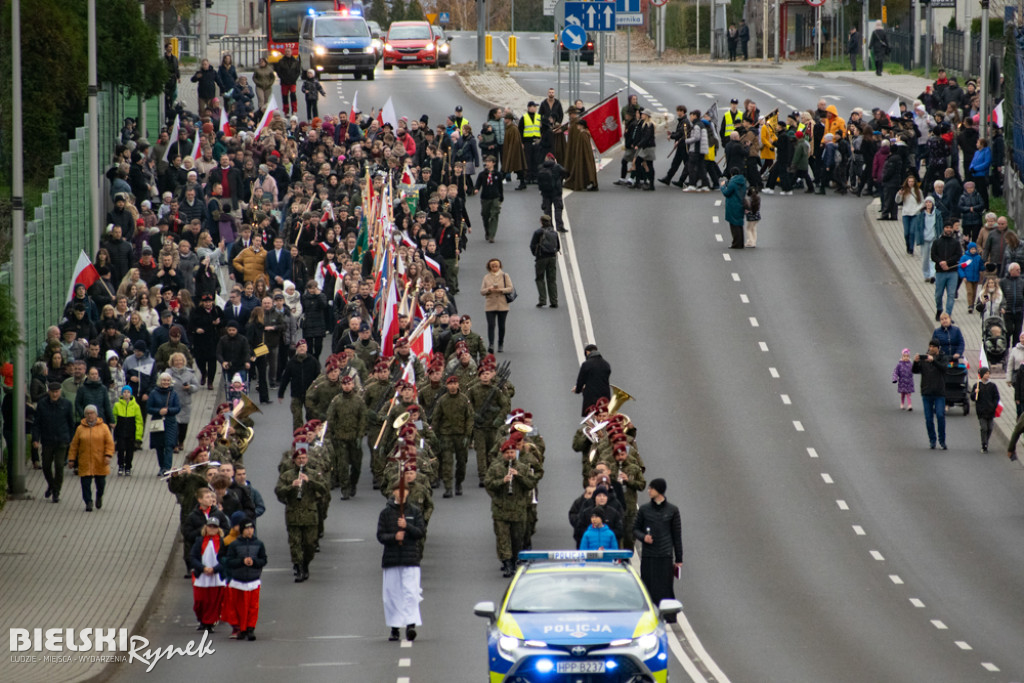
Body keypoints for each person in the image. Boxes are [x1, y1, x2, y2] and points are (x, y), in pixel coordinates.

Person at [377, 476, 427, 642]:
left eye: (404, 490)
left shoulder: (414, 511)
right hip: (392, 559)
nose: (401, 493)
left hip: (410, 558)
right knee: (392, 594)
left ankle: (411, 624)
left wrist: (408, 527)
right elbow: (380, 535)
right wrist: (394, 536)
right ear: (393, 492)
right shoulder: (386, 513)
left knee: (410, 592)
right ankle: (395, 627)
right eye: (398, 490)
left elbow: (420, 532)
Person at [485, 435, 541, 577]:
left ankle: (515, 560)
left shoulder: (522, 467)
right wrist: (502, 481)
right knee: (503, 538)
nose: (510, 455)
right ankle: (507, 563)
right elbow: (488, 484)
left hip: (518, 509)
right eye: (507, 453)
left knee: (517, 538)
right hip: (501, 510)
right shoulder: (496, 468)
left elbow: (531, 484)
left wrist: (519, 476)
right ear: (503, 454)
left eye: (512, 452)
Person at [633, 478, 683, 621]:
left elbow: (676, 535)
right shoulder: (644, 509)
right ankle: (649, 615)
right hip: (649, 555)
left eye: (651, 488)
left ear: (659, 490)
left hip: (665, 555)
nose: (648, 491)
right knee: (648, 586)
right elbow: (635, 529)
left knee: (665, 586)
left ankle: (668, 616)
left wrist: (679, 559)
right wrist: (644, 538)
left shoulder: (672, 510)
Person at [275, 447, 326, 582]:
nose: (301, 461)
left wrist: (310, 481)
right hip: (294, 514)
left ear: (307, 459)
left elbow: (324, 489)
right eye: (299, 458)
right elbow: (279, 492)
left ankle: (305, 564)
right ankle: (298, 567)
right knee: (295, 543)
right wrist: (291, 486)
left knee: (310, 544)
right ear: (294, 460)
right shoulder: (287, 475)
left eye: (303, 458)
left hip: (310, 514)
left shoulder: (314, 474)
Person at [221, 517, 267, 641]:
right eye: (247, 528)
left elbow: (263, 560)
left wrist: (254, 562)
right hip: (238, 581)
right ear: (242, 530)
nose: (249, 531)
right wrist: (241, 561)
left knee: (253, 606)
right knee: (240, 606)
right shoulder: (234, 545)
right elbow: (229, 561)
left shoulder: (259, 544)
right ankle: (242, 628)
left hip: (253, 580)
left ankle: (251, 628)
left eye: (251, 528)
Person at [32, 382, 76, 503]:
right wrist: (36, 439)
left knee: (59, 465)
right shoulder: (42, 405)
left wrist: (71, 439)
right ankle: (51, 484)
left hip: (62, 439)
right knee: (46, 465)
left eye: (57, 392)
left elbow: (71, 423)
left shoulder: (66, 404)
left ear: (60, 392)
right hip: (47, 439)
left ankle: (56, 491)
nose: (55, 394)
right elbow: (37, 424)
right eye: (52, 392)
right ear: (49, 392)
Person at [68, 405, 115, 512]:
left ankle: (99, 496)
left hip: (100, 461)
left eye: (92, 413)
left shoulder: (104, 427)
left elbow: (109, 443)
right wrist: (71, 459)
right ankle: (88, 501)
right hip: (85, 461)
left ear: (96, 414)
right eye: (88, 413)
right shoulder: (80, 429)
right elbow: (74, 445)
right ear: (85, 415)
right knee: (85, 483)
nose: (90, 415)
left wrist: (108, 455)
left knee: (101, 483)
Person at [188, 517, 227, 633]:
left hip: (216, 576)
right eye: (210, 526)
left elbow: (226, 559)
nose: (212, 529)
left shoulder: (222, 542)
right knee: (200, 601)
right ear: (206, 527)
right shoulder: (199, 541)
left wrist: (215, 569)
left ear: (218, 529)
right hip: (202, 575)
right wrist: (202, 568)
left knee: (214, 601)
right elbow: (193, 557)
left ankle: (209, 623)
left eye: (214, 527)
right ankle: (202, 619)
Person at [912, 339, 947, 450]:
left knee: (940, 416)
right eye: (930, 346)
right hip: (926, 393)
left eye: (933, 347)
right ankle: (932, 439)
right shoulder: (925, 359)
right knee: (928, 418)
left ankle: (942, 440)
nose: (931, 348)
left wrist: (933, 361)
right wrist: (916, 362)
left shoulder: (942, 358)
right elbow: (915, 370)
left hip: (939, 393)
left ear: (938, 348)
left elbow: (944, 368)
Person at [148, 372, 182, 476]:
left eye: (168, 380)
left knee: (169, 445)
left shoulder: (173, 393)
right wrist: (158, 411)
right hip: (158, 422)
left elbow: (178, 408)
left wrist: (168, 411)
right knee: (159, 446)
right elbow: (148, 408)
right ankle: (161, 467)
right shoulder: (153, 393)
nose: (166, 382)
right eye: (164, 380)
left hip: (170, 422)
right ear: (160, 381)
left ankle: (167, 468)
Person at [480, 258, 513, 354]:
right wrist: (488, 290)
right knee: (491, 325)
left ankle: (500, 343)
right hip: (490, 304)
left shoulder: (505, 276)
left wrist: (501, 290)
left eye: (496, 266)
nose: (494, 268)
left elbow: (510, 288)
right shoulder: (486, 277)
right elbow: (482, 291)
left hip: (502, 304)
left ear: (499, 266)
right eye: (493, 266)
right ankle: (491, 344)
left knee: (501, 325)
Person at [932, 222, 963, 320]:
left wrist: (947, 262)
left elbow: (958, 255)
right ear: (943, 229)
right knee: (938, 294)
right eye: (947, 227)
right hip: (940, 272)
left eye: (950, 227)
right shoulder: (937, 242)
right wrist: (941, 262)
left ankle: (948, 314)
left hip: (952, 272)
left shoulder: (955, 243)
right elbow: (933, 255)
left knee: (951, 294)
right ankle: (939, 309)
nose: (948, 229)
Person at [530, 214, 560, 308]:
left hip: (541, 258)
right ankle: (554, 301)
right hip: (552, 258)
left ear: (541, 221)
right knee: (552, 279)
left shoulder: (538, 232)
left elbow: (532, 245)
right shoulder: (554, 232)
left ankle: (542, 300)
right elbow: (558, 246)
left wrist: (536, 254)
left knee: (540, 278)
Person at [112, 385, 143, 476]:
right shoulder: (117, 405)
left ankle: (128, 466)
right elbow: (114, 417)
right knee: (120, 450)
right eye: (124, 392)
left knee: (130, 451)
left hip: (131, 432)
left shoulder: (136, 406)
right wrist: (114, 426)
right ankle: (121, 465)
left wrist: (138, 435)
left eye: (128, 392)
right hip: (120, 431)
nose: (126, 394)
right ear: (122, 394)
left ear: (131, 394)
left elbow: (139, 422)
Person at [573, 344, 611, 415]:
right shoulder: (606, 364)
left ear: (587, 352)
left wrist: (578, 390)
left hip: (591, 397)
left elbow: (581, 380)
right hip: (605, 396)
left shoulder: (586, 365)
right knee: (605, 415)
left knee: (590, 417)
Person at [475, 156, 504, 243]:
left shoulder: (498, 175)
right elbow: (478, 184)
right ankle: (487, 231)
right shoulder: (482, 174)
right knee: (485, 215)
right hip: (485, 198)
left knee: (494, 215)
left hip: (495, 197)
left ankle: (492, 235)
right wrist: (476, 189)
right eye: (486, 161)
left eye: (489, 161)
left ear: (494, 163)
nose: (487, 163)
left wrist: (501, 197)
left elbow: (500, 187)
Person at [971, 366, 1000, 452]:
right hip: (981, 411)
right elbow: (973, 398)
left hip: (990, 410)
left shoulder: (992, 386)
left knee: (990, 427)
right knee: (984, 428)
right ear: (982, 375)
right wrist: (975, 393)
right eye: (986, 373)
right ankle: (984, 443)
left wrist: (994, 405)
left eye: (988, 373)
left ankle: (986, 441)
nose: (988, 375)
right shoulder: (977, 385)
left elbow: (996, 397)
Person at [536, 153, 566, 232]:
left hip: (545, 192)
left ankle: (548, 226)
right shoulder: (557, 166)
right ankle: (559, 226)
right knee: (558, 209)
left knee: (547, 210)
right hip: (556, 191)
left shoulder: (541, 167)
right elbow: (565, 173)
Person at [720, 168, 748, 249]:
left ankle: (735, 243)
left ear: (731, 174)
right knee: (739, 224)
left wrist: (722, 187)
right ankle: (741, 243)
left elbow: (726, 193)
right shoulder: (742, 181)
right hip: (740, 204)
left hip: (733, 205)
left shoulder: (733, 182)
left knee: (733, 225)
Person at [273, 45, 301, 116]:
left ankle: (294, 110)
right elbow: (279, 72)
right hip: (284, 82)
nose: (287, 53)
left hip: (293, 82)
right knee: (285, 97)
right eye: (286, 52)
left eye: (289, 51)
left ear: (291, 52)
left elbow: (298, 72)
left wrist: (294, 78)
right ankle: (286, 111)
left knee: (293, 95)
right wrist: (283, 78)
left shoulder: (295, 62)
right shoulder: (281, 61)